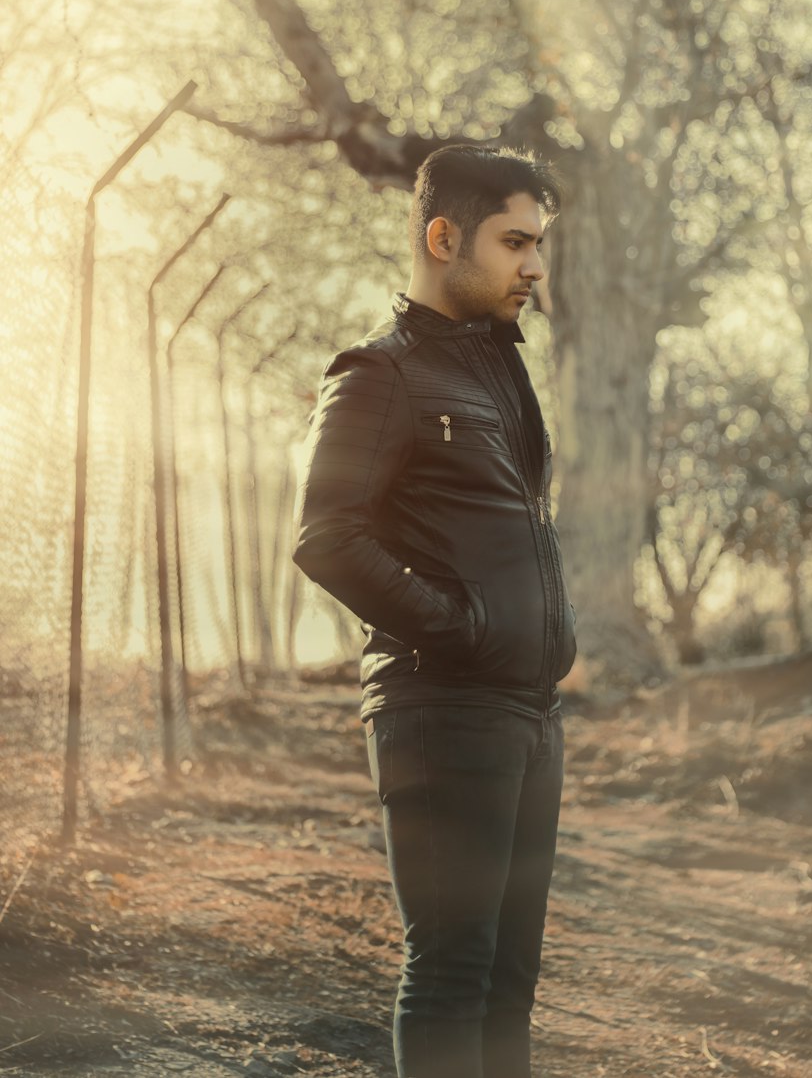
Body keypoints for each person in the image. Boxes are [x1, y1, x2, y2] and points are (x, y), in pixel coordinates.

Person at [293, 143, 577, 1078]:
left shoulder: (497, 368)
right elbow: (325, 536)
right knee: (453, 973)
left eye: (539, 244)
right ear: (442, 236)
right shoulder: (380, 374)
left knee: (507, 982)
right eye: (514, 242)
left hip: (527, 717)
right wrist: (463, 630)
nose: (534, 266)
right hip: (443, 710)